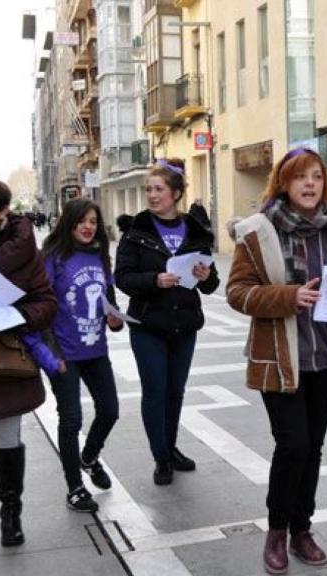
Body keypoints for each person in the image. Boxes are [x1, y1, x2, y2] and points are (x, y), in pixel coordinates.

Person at [227, 147, 327, 573]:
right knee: (293, 445)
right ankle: (276, 530)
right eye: (299, 177)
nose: (309, 184)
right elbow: (237, 292)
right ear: (283, 184)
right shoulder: (257, 231)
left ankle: (302, 530)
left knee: (314, 449)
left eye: (315, 176)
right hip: (280, 360)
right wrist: (290, 297)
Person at [115, 158, 219, 486]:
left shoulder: (196, 230)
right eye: (149, 189)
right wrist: (154, 280)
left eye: (158, 189)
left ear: (176, 194)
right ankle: (161, 457)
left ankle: (170, 447)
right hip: (148, 324)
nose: (152, 195)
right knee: (155, 390)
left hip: (185, 324)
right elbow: (123, 278)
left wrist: (205, 276)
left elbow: (211, 284)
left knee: (175, 391)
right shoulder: (136, 231)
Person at [0, 178, 57, 547]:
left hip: (3, 357)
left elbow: (46, 302)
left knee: (6, 438)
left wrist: (14, 315)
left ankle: (10, 512)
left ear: (3, 211)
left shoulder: (25, 251)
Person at [42, 198, 126, 510]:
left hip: (95, 350)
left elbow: (109, 302)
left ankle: (89, 457)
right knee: (71, 418)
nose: (88, 227)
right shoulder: (54, 256)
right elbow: (41, 304)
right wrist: (51, 353)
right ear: (69, 222)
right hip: (64, 351)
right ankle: (75, 487)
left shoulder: (102, 257)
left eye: (93, 221)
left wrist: (114, 318)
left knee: (110, 410)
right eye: (82, 221)